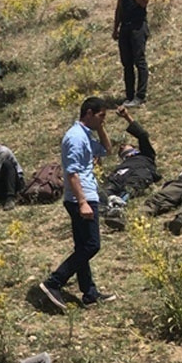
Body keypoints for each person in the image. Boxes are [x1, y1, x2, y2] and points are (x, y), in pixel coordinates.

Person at [41, 97, 114, 311]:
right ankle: (54, 282)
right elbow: (72, 173)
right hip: (80, 198)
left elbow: (107, 150)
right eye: (101, 116)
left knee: (83, 247)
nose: (103, 121)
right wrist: (82, 202)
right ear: (89, 113)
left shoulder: (86, 135)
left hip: (86, 196)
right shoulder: (75, 137)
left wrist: (101, 128)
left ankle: (89, 293)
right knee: (92, 245)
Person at [102, 104, 159, 230]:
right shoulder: (120, 166)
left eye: (125, 145)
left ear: (134, 148)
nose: (122, 146)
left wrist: (127, 116)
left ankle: (119, 208)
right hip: (119, 176)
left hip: (139, 173)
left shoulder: (145, 154)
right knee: (104, 192)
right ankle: (110, 205)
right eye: (120, 149)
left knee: (131, 187)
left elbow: (143, 135)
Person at [113, 0, 152, 107]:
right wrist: (115, 28)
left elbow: (143, 1)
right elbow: (119, 6)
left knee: (139, 61)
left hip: (138, 26)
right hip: (125, 26)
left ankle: (140, 96)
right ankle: (129, 96)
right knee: (127, 63)